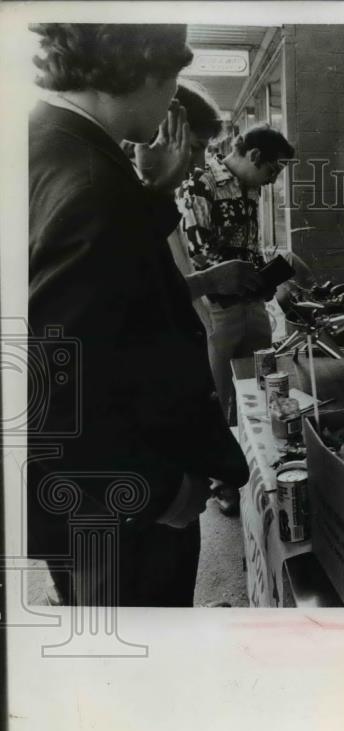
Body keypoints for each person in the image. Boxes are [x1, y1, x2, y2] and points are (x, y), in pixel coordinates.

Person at [28, 23, 249, 606]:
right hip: (120, 505)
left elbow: (110, 285)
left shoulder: (46, 142)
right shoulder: (96, 183)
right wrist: (155, 490)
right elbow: (46, 385)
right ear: (145, 70)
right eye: (174, 76)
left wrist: (154, 196)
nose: (173, 97)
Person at [177, 122, 295, 426]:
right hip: (218, 309)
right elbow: (199, 249)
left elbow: (250, 243)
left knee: (262, 385)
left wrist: (263, 276)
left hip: (253, 305)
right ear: (254, 155)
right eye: (272, 171)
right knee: (218, 393)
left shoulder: (251, 188)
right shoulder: (201, 182)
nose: (272, 181)